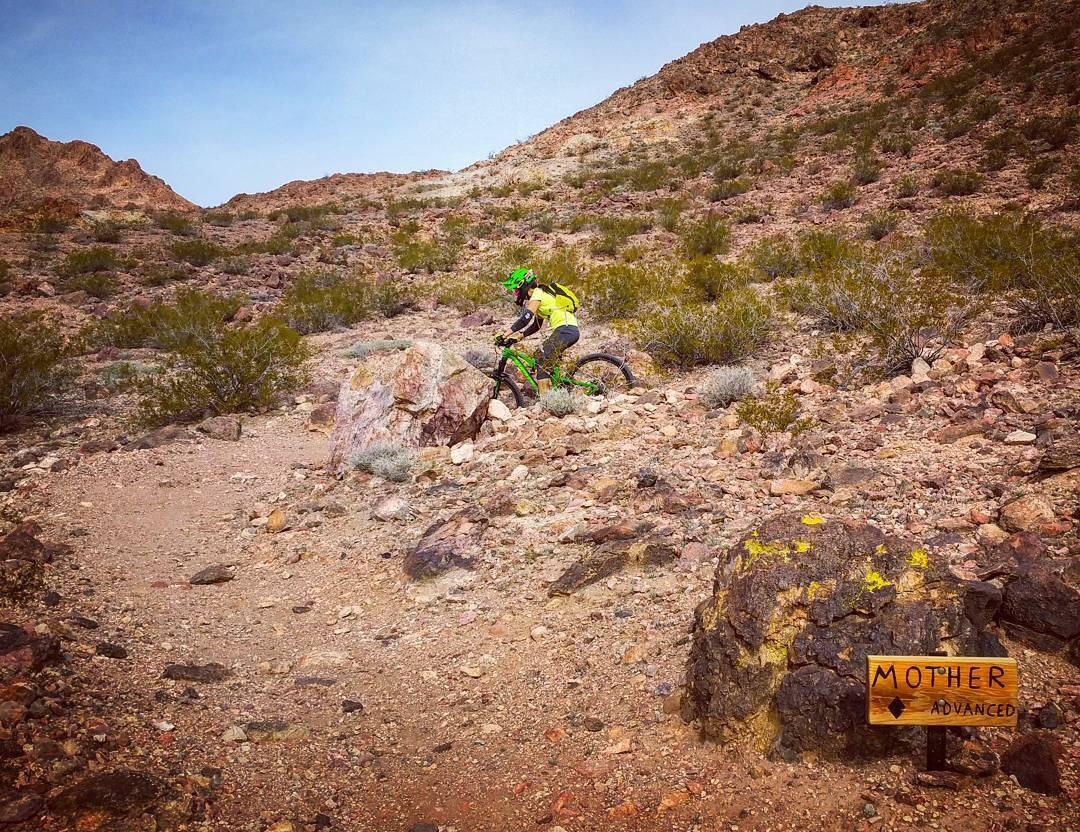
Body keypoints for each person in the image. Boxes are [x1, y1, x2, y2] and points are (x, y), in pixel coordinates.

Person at [495, 267, 580, 394]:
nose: (516, 293)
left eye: (516, 289)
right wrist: (519, 336)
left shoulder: (537, 293)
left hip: (566, 330)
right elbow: (536, 325)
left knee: (542, 361)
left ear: (523, 285)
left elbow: (526, 318)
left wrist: (504, 334)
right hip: (567, 329)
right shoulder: (542, 296)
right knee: (541, 356)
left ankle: (546, 400)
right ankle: (557, 387)